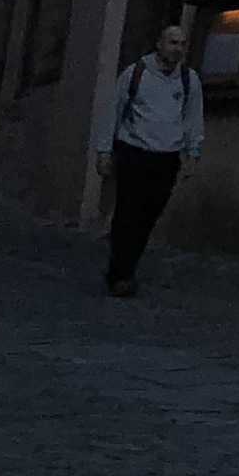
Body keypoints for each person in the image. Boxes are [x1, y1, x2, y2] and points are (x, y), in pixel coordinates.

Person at [91, 20, 205, 298]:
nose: (178, 49)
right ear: (159, 45)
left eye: (182, 44)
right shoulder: (136, 74)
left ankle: (127, 266)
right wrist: (104, 150)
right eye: (172, 43)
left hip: (166, 158)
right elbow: (113, 112)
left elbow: (193, 119)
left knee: (148, 216)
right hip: (135, 152)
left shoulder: (189, 80)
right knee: (128, 213)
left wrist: (193, 152)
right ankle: (120, 273)